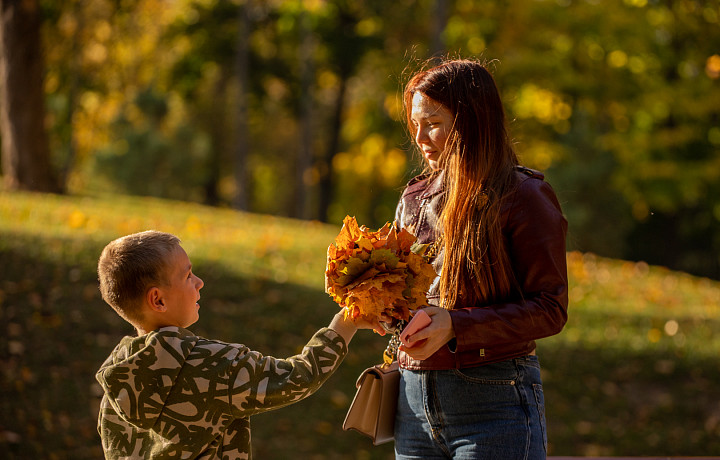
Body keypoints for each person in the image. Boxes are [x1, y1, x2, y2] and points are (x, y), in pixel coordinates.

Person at [390, 59, 569, 459]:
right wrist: (379, 304)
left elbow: (551, 309)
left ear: (472, 120)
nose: (419, 137)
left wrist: (456, 324)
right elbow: (407, 298)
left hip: (495, 405)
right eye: (415, 124)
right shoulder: (414, 198)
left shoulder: (523, 196)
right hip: (412, 408)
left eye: (432, 123)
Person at [95, 230, 382, 459]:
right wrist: (346, 322)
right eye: (187, 276)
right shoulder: (210, 364)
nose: (200, 282)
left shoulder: (116, 379)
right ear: (158, 300)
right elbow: (297, 378)